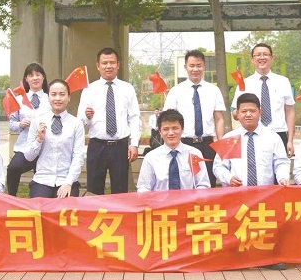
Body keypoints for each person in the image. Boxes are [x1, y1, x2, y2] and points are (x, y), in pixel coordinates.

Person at [214, 92, 290, 270]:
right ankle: (238, 259)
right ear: (237, 114)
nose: (248, 114)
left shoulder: (272, 137)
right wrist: (228, 178)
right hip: (238, 194)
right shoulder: (229, 138)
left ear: (260, 112)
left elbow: (281, 162)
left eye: (252, 111)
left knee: (264, 226)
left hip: (264, 194)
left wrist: (282, 177)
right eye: (244, 111)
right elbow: (218, 167)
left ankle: (268, 259)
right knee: (238, 227)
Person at [77, 47, 141, 195]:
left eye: (112, 62)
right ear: (98, 66)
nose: (108, 66)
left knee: (120, 191)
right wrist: (87, 116)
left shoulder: (127, 89)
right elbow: (80, 121)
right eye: (104, 63)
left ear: (118, 65)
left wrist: (134, 144)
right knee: (94, 191)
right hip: (97, 146)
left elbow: (134, 117)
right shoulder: (89, 89)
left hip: (120, 146)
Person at [163, 49, 226, 186]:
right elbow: (168, 119)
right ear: (185, 67)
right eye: (191, 66)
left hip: (208, 144)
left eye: (199, 65)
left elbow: (219, 118)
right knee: (186, 182)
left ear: (204, 66)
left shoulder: (213, 90)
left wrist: (220, 143)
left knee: (208, 182)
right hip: (185, 143)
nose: (195, 69)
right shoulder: (176, 91)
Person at [230, 44, 296, 156]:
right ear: (252, 59)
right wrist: (237, 113)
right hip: (253, 134)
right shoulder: (244, 83)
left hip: (278, 132)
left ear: (272, 58)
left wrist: (290, 140)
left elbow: (289, 111)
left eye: (265, 54)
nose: (262, 57)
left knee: (281, 166)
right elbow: (236, 113)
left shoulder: (283, 81)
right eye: (258, 55)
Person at [24, 79, 85, 198]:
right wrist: (39, 140)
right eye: (53, 94)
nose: (58, 98)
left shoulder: (76, 124)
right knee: (40, 208)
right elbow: (28, 156)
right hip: (42, 179)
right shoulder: (37, 122)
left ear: (69, 97)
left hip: (66, 179)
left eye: (62, 94)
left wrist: (68, 182)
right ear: (48, 97)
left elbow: (78, 156)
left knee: (65, 208)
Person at [136, 109, 210, 192]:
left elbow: (203, 184)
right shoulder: (151, 157)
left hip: (189, 199)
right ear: (160, 132)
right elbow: (143, 187)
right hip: (160, 200)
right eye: (166, 129)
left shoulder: (194, 154)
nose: (171, 133)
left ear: (182, 129)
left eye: (175, 128)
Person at [6, 63, 50, 196]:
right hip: (25, 145)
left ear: (43, 77)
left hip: (47, 146)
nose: (35, 78)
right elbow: (11, 124)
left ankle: (39, 197)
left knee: (41, 183)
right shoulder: (19, 100)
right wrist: (20, 124)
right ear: (26, 79)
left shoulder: (51, 98)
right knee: (13, 168)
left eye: (38, 74)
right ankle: (11, 197)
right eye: (31, 75)